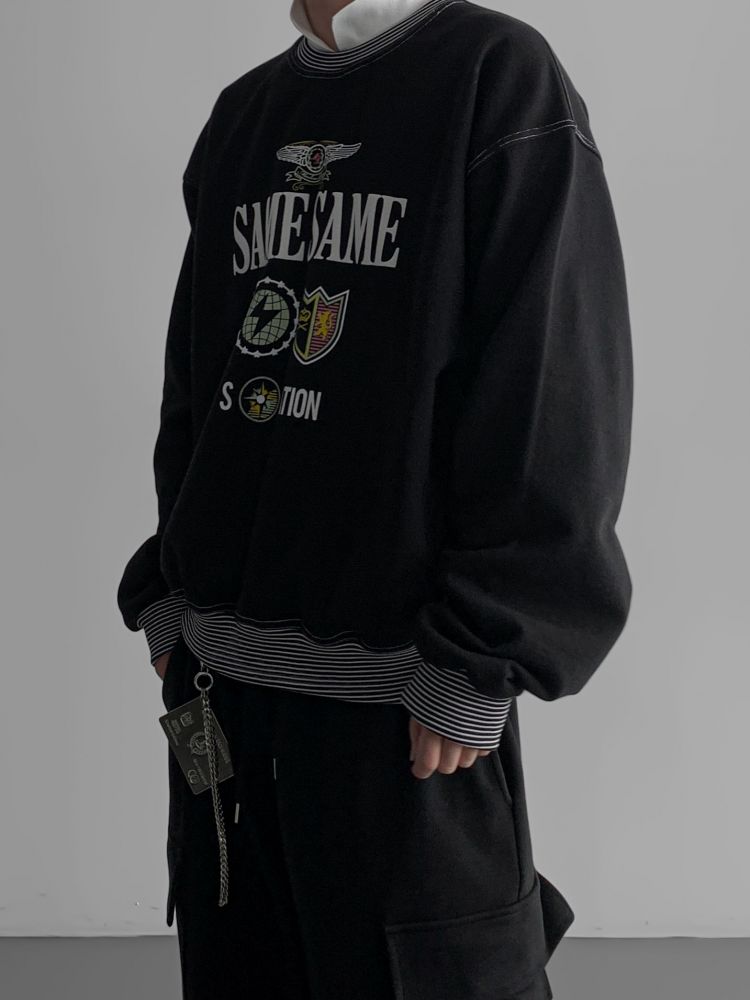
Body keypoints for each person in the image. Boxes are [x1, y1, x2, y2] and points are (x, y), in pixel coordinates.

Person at [116, 0, 633, 997]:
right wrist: (168, 598)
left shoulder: (496, 76)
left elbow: (553, 383)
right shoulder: (246, 113)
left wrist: (484, 651)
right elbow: (200, 376)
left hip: (401, 714)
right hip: (219, 704)